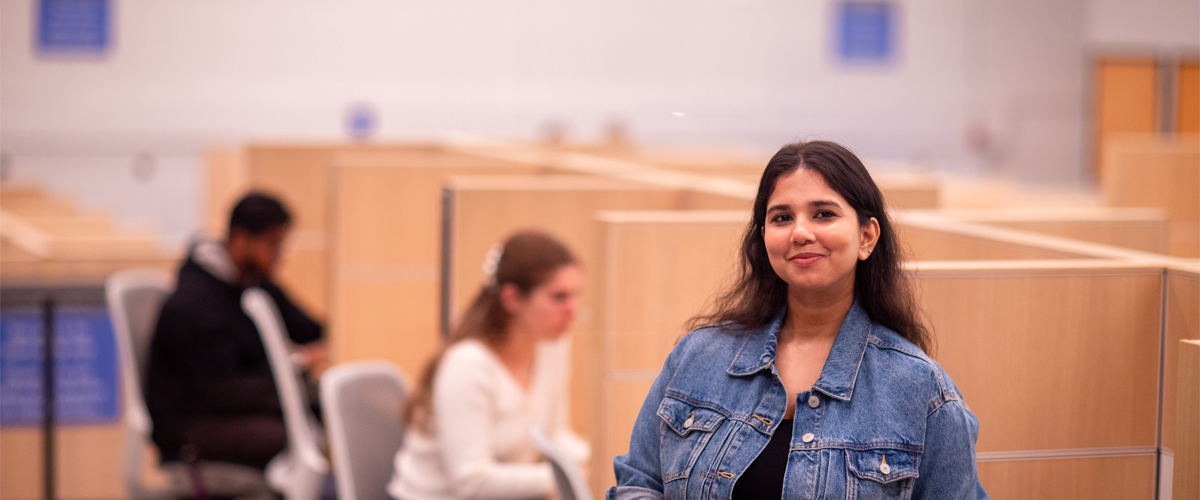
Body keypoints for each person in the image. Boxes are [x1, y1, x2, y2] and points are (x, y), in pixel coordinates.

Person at [610, 141, 989, 499]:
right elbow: (640, 481)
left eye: (823, 214)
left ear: (867, 236)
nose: (801, 232)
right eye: (782, 218)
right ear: (764, 237)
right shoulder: (697, 356)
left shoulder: (921, 390)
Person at [388, 231, 589, 500]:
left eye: (576, 296)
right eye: (559, 297)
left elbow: (554, 435)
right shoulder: (468, 364)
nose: (573, 310)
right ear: (512, 299)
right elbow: (472, 482)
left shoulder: (553, 346)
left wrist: (604, 459)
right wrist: (566, 474)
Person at [146, 192, 327, 471]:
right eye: (273, 246)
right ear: (241, 240)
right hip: (190, 427)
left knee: (319, 409)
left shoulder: (253, 281)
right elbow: (221, 391)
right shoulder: (192, 303)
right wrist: (297, 364)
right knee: (294, 435)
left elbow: (310, 329)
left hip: (229, 410)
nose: (279, 258)